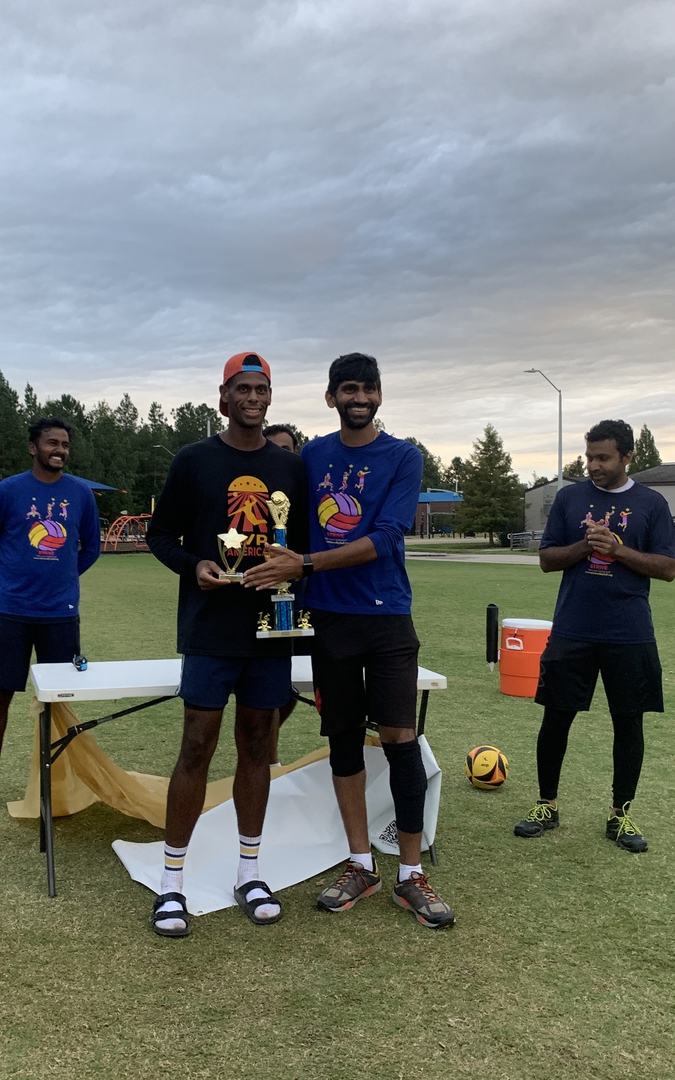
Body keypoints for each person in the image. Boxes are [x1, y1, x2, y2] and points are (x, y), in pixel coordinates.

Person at [246, 352, 454, 929]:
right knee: (342, 740)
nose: (359, 398)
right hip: (329, 618)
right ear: (331, 397)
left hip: (387, 617)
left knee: (400, 739)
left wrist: (306, 563)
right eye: (349, 389)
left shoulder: (403, 456)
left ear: (380, 395)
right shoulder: (313, 456)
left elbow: (387, 537)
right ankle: (361, 864)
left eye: (368, 389)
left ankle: (411, 873)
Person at [145, 352, 308, 937]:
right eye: (242, 388)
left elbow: (304, 546)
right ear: (223, 398)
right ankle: (172, 882)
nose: (252, 397)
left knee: (258, 743)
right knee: (197, 745)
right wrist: (195, 566)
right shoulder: (194, 460)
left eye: (261, 389)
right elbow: (159, 535)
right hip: (211, 627)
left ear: (270, 397)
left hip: (271, 627)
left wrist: (292, 568)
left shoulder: (290, 468)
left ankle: (249, 872)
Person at [512, 419, 675, 852]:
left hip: (629, 632)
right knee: (555, 718)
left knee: (629, 722)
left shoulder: (652, 503)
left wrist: (617, 550)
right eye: (589, 457)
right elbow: (547, 559)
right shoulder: (570, 499)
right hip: (573, 628)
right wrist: (585, 546)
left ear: (627, 456)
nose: (593, 466)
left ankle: (620, 814)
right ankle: (546, 804)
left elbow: (667, 568)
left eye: (603, 458)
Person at [0, 418, 102, 814]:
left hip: (61, 614)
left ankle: (58, 783)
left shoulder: (80, 493)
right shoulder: (8, 491)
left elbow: (91, 548)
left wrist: (63, 578)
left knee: (59, 700)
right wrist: (9, 579)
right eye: (51, 443)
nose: (59, 450)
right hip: (11, 612)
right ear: (33, 447)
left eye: (65, 444)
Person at [263, 422, 304, 763]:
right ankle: (269, 759)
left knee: (294, 685)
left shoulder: (300, 487)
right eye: (272, 448)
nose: (278, 455)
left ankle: (266, 752)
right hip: (258, 598)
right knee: (266, 689)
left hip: (301, 595)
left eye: (286, 449)